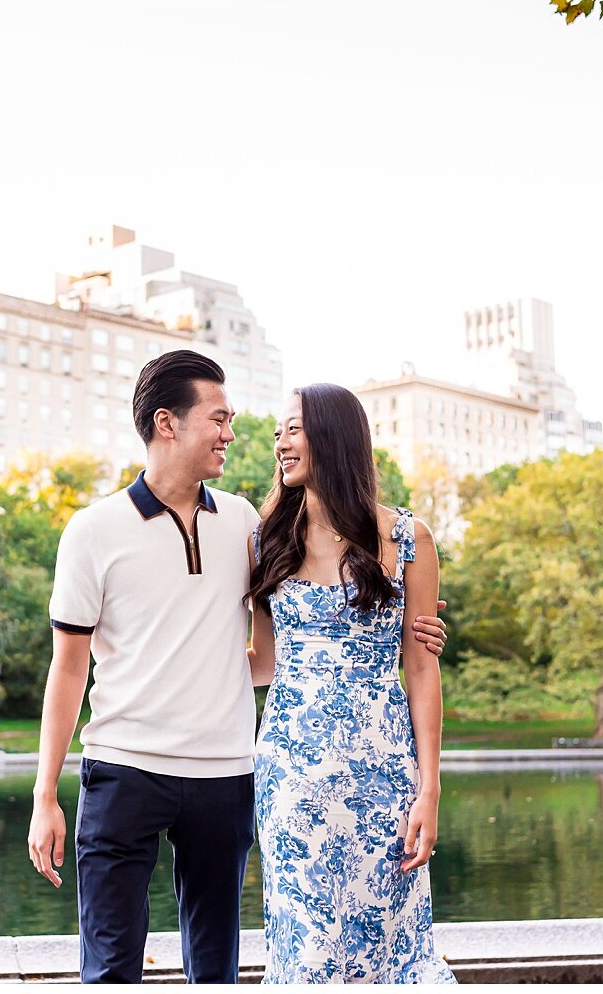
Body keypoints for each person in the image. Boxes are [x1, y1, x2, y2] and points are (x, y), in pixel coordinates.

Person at [27, 352, 448, 984]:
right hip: (159, 768)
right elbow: (71, 671)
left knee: (222, 969)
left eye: (285, 427)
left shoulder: (250, 524)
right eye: (220, 419)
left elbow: (336, 658)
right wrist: (44, 793)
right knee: (115, 965)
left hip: (264, 773)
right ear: (168, 423)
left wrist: (409, 625)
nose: (240, 435)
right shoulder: (111, 531)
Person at [246, 383, 455, 983]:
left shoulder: (408, 539)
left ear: (333, 437)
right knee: (306, 946)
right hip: (292, 776)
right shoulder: (266, 538)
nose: (280, 442)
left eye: (293, 429)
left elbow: (420, 668)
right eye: (279, 432)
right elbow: (262, 661)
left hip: (384, 774)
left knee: (390, 945)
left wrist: (429, 789)